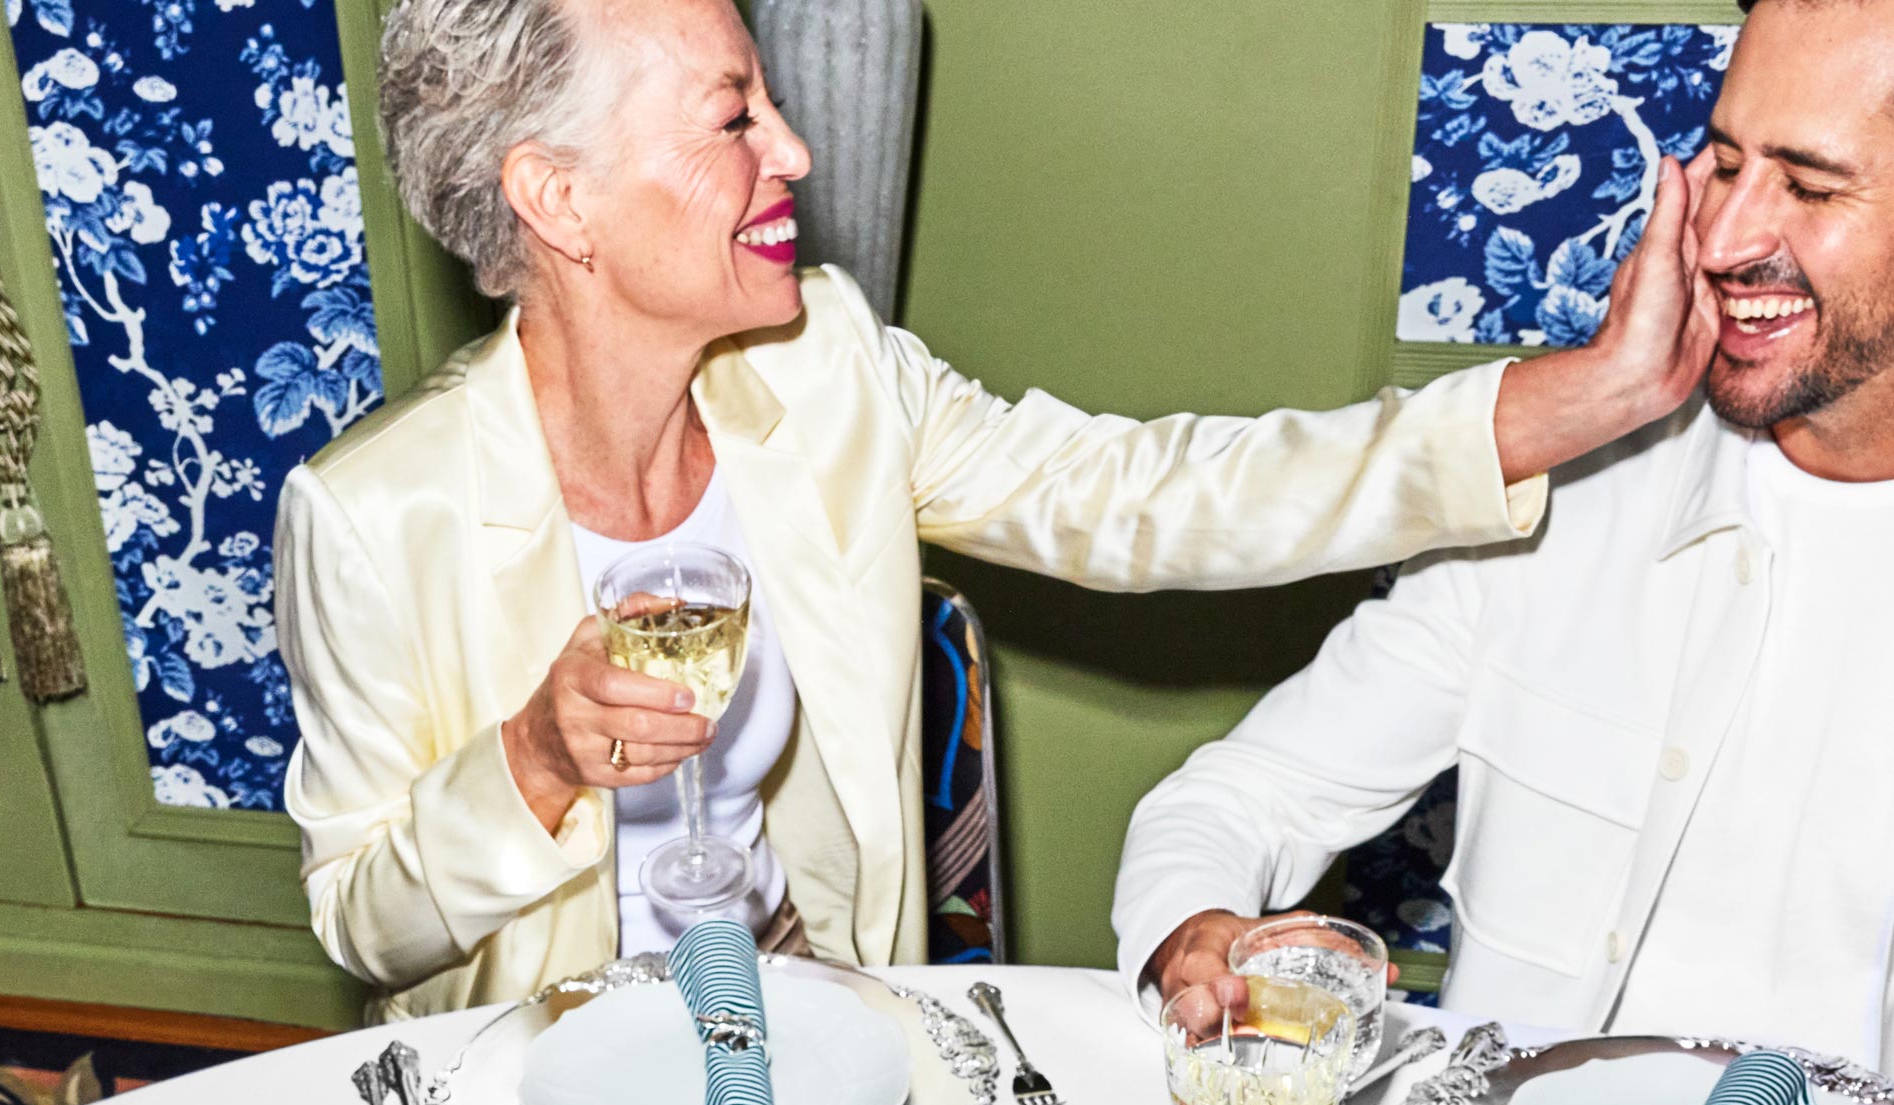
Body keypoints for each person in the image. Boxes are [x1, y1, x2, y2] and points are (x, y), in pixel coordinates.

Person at [277, 0, 1709, 1021]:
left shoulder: (830, 371)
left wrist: (1576, 397)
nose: (795, 152)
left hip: (826, 1052)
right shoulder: (370, 517)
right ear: (557, 199)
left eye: (770, 99)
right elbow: (366, 925)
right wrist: (532, 755)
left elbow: (1149, 498)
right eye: (733, 118)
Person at [1116, 0, 1894, 1070]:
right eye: (1721, 163)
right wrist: (1195, 931)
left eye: (1805, 185)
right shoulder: (1565, 497)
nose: (1721, 239)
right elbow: (1235, 799)